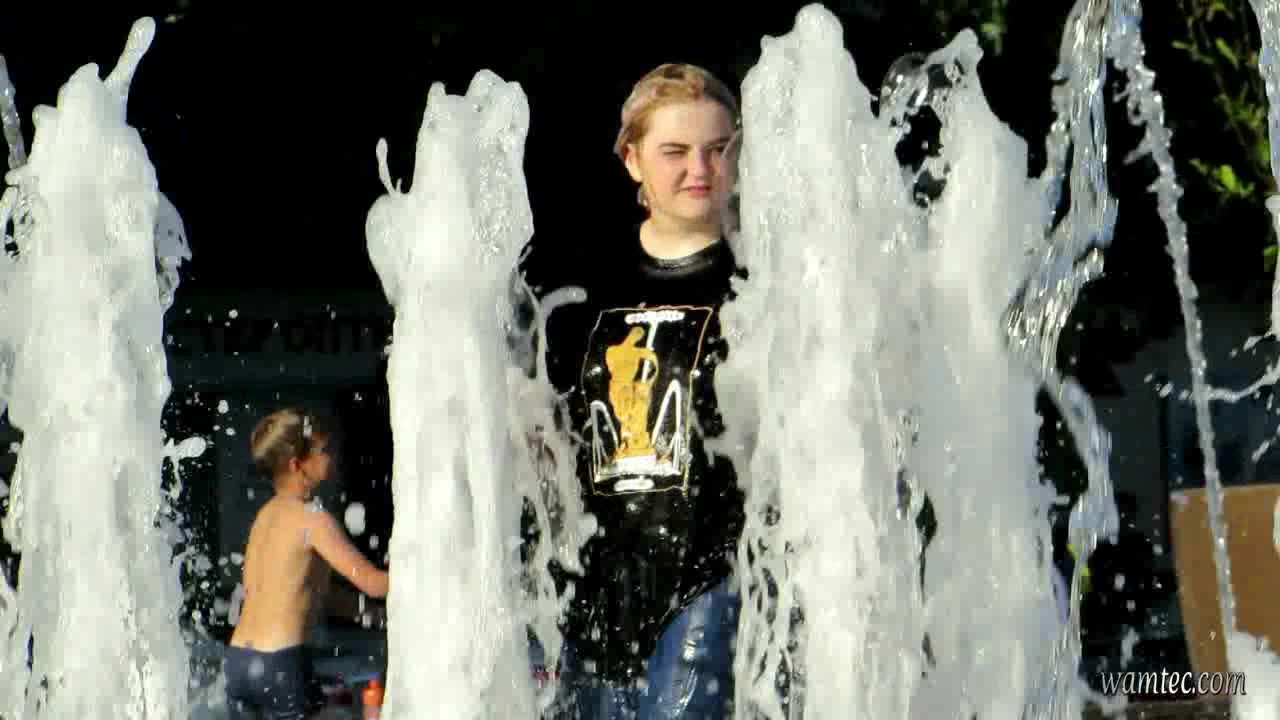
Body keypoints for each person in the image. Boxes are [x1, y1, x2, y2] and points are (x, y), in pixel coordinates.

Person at [516, 63, 744, 719]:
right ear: (632, 160)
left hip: (712, 582)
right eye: (675, 151)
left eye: (718, 149)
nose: (700, 168)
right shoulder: (582, 285)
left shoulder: (762, 280)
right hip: (599, 588)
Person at [223, 408, 390, 719]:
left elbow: (299, 592)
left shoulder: (264, 518)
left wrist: (374, 616)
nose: (330, 456)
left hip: (239, 663)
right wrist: (424, 565)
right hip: (280, 666)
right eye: (321, 450)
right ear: (296, 465)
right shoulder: (313, 519)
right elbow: (374, 584)